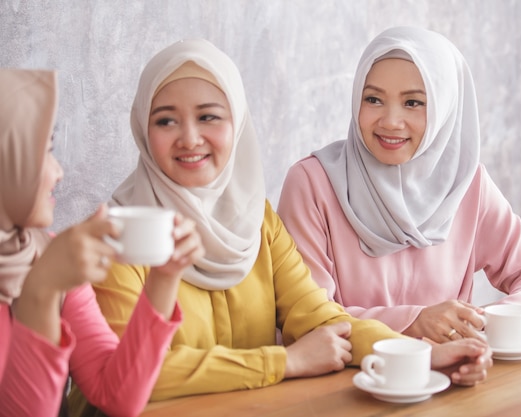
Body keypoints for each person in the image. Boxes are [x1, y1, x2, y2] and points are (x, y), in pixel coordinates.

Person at [68, 38, 493, 413]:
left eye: (209, 117)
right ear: (143, 129)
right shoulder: (111, 237)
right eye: (165, 121)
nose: (190, 138)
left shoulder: (258, 223)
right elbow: (135, 376)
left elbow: (320, 318)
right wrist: (283, 363)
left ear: (237, 125)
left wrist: (419, 356)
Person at [277, 26, 521, 348]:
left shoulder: (466, 185)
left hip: (453, 379)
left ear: (444, 108)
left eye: (413, 103)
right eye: (373, 99)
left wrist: (509, 318)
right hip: (345, 384)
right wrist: (414, 321)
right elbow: (305, 319)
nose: (390, 121)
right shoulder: (312, 184)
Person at [0, 68, 204, 416]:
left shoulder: (47, 255)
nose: (59, 172)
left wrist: (166, 276)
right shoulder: (50, 269)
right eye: (45, 152)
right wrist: (41, 290)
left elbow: (116, 395)